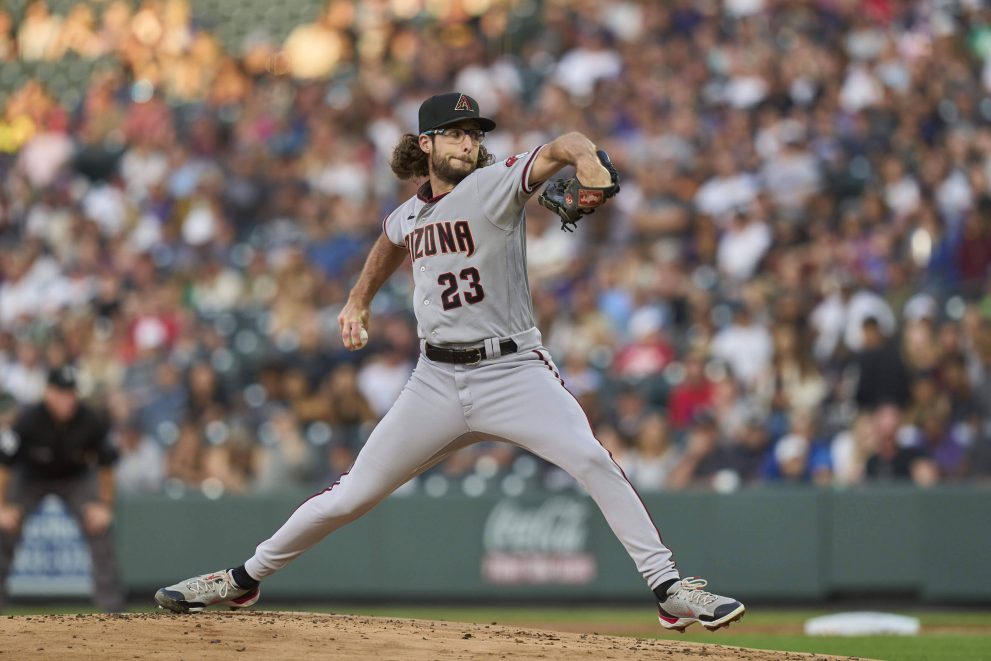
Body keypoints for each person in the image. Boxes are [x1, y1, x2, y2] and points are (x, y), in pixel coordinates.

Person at [154, 92, 744, 632]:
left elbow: (564, 146)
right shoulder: (409, 214)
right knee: (349, 496)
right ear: (427, 144)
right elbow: (389, 241)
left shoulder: (496, 183)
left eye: (473, 133)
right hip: (435, 379)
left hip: (514, 372)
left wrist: (587, 163)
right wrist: (357, 300)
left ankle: (667, 588)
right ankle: (240, 580)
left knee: (591, 458)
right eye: (455, 133)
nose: (468, 142)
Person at [0, 367, 125, 612]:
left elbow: (106, 465)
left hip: (75, 478)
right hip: (31, 478)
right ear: (48, 393)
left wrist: (105, 505)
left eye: (71, 393)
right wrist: (2, 506)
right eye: (61, 393)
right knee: (4, 528)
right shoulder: (29, 419)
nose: (68, 399)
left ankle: (113, 611)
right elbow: (4, 465)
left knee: (99, 526)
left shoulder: (90, 419)